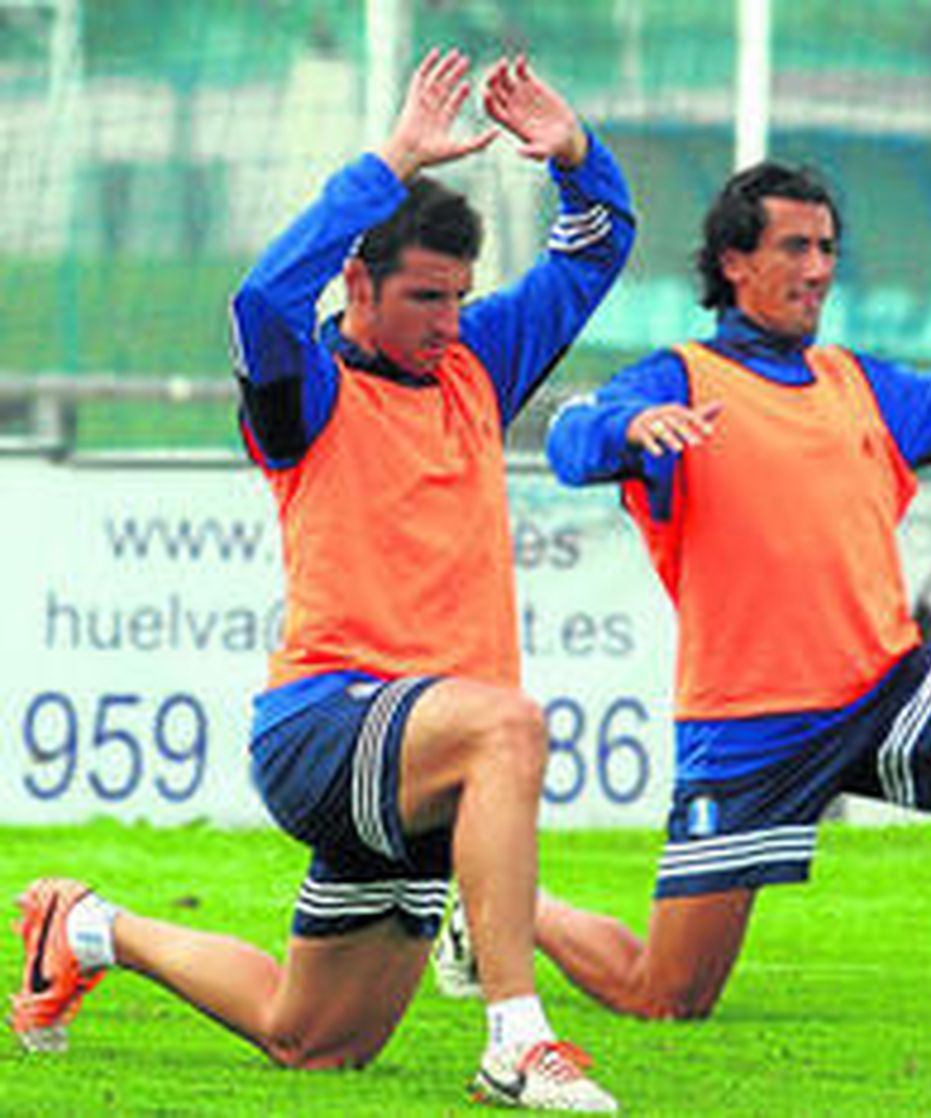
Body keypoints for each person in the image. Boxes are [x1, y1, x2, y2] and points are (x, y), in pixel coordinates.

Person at [9, 48, 635, 1110]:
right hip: (325, 725)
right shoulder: (307, 388)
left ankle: (86, 926)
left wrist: (576, 155)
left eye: (460, 296)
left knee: (313, 1042)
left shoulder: (475, 362)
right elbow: (261, 297)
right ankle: (516, 1041)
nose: (449, 320)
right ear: (357, 282)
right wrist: (389, 163)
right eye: (426, 297)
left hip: (424, 763)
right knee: (509, 726)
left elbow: (595, 250)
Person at [449, 159, 931, 1036]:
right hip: (751, 727)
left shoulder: (855, 383)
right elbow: (569, 434)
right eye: (795, 247)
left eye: (828, 248)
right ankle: (502, 911)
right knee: (665, 996)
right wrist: (627, 428)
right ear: (733, 263)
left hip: (882, 688)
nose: (820, 267)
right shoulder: (678, 377)